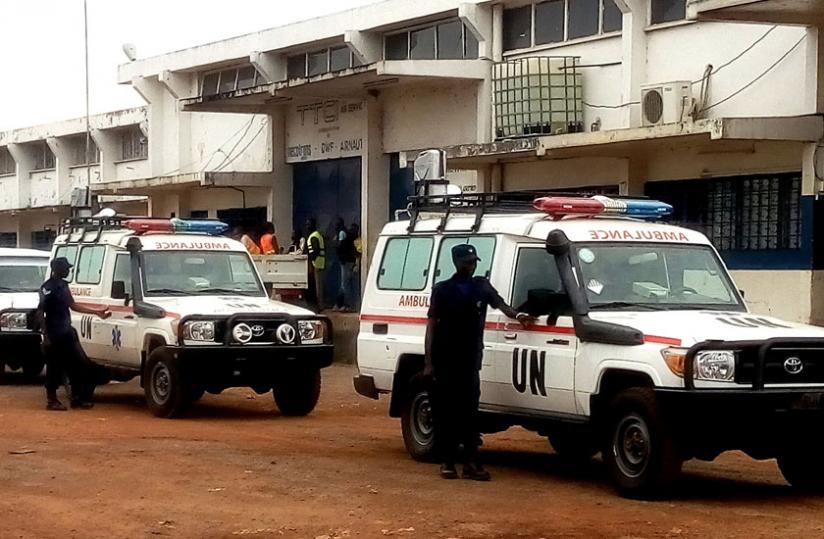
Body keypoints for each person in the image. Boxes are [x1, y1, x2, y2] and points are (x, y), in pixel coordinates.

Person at [425, 244, 532, 481]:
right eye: (467, 262)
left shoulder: (482, 287)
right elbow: (431, 326)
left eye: (473, 262)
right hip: (445, 360)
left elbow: (501, 305)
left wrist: (519, 315)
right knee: (446, 412)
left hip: (470, 360)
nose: (471, 266)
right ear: (457, 263)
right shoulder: (442, 290)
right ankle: (448, 462)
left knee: (470, 412)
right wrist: (429, 363)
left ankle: (471, 462)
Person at [36, 257, 110, 411]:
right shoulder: (47, 288)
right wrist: (46, 335)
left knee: (78, 364)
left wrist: (96, 313)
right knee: (54, 367)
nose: (69, 270)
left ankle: (77, 398)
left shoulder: (63, 285)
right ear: (58, 270)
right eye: (66, 268)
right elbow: (40, 311)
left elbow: (72, 305)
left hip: (67, 332)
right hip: (54, 334)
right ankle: (52, 400)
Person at [334, 219, 355, 312]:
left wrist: (335, 243)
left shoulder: (342, 233)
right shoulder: (343, 232)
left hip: (346, 261)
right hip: (346, 261)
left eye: (336, 224)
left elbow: (341, 246)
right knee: (343, 284)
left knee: (345, 284)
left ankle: (349, 305)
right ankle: (339, 304)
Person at [305, 218, 326, 311]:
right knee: (318, 285)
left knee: (318, 286)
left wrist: (312, 261)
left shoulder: (314, 236)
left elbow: (315, 251)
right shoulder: (317, 235)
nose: (307, 226)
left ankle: (319, 306)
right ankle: (319, 305)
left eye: (309, 224)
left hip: (316, 263)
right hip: (319, 262)